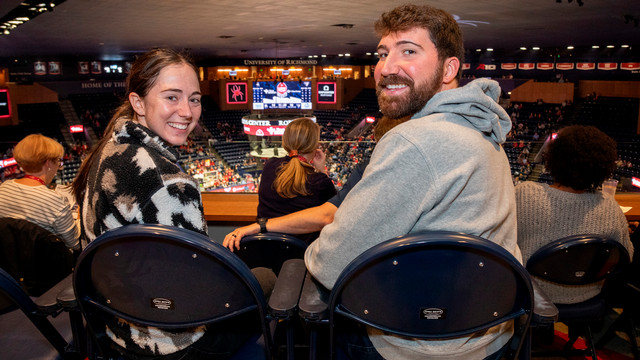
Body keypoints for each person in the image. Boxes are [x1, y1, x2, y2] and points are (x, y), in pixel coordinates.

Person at [304, 4, 519, 360]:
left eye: (409, 51)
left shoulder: (415, 140)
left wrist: (312, 252)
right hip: (485, 335)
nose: (387, 68)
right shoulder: (480, 126)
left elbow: (332, 265)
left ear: (449, 68)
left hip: (417, 342)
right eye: (383, 53)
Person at [72, 48, 269, 359]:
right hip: (171, 344)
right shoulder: (171, 184)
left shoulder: (107, 151)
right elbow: (200, 294)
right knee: (266, 279)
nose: (188, 111)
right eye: (172, 97)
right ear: (138, 102)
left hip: (114, 326)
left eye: (194, 98)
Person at [515, 125, 634, 304]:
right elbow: (627, 256)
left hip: (532, 295)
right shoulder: (609, 206)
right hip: (587, 295)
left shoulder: (524, 193)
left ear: (553, 158)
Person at [255, 117, 336, 242]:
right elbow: (334, 214)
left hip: (264, 248)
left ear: (285, 141)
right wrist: (321, 171)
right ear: (315, 145)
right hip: (301, 255)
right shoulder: (320, 182)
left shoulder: (269, 166)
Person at [0, 134, 80, 250]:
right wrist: (77, 219)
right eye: (58, 161)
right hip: (45, 265)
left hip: (8, 263)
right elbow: (75, 244)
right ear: (48, 163)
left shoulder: (4, 188)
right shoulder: (55, 201)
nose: (59, 166)